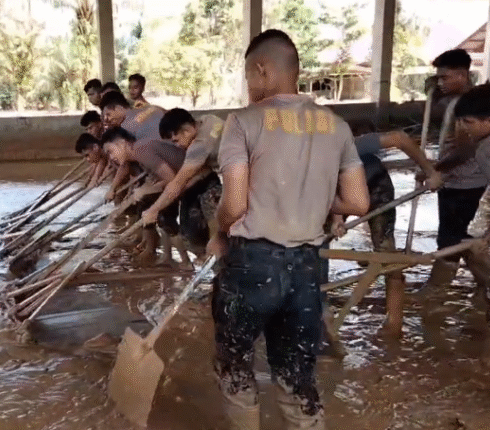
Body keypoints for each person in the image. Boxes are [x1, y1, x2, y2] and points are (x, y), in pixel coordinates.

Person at [206, 30, 369, 430]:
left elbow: (236, 203)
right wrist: (316, 200)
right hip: (308, 270)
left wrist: (216, 230)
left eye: (249, 77)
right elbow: (358, 203)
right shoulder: (337, 126)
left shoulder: (243, 122)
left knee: (236, 365)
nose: (249, 87)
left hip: (252, 266)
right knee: (297, 373)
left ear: (261, 69)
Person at [327, 127, 443, 336]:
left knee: (387, 251)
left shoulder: (349, 144)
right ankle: (319, 309)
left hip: (375, 186)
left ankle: (394, 323)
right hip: (337, 196)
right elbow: (326, 188)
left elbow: (400, 138)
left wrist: (429, 171)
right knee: (316, 243)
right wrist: (337, 219)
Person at [422, 49, 490, 294]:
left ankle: (435, 291)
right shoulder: (459, 101)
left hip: (464, 180)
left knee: (450, 238)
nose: (440, 82)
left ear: (463, 75)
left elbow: (465, 150)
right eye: (438, 78)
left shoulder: (469, 105)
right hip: (460, 178)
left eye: (445, 77)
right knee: (454, 234)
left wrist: (434, 168)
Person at [452, 83, 490, 367]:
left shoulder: (489, 149)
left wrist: (488, 238)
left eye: (468, 122)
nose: (463, 128)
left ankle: (489, 363)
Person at [100, 127, 191, 266]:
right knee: (163, 218)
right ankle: (168, 258)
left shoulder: (141, 150)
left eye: (111, 152)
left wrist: (145, 190)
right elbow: (156, 178)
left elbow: (171, 178)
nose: (111, 158)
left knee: (180, 229)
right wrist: (142, 190)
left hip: (194, 183)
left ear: (122, 143)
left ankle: (186, 263)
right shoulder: (139, 152)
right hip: (181, 184)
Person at [141, 108, 223, 255]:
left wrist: (153, 210)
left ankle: (217, 255)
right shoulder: (208, 119)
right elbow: (201, 171)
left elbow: (177, 182)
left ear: (186, 130)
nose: (177, 146)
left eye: (176, 141)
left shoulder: (199, 145)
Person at [99, 91, 167, 202]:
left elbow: (126, 162)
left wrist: (147, 188)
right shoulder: (141, 111)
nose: (106, 120)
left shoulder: (130, 124)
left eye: (108, 114)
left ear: (118, 108)